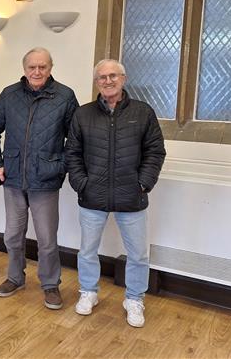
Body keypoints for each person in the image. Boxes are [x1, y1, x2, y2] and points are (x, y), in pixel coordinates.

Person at [65, 59, 166, 327]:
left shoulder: (143, 112)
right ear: (96, 82)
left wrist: (142, 184)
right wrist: (81, 183)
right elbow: (72, 153)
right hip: (92, 196)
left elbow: (155, 151)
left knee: (138, 254)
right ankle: (88, 292)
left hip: (131, 197)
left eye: (113, 76)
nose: (108, 81)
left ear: (123, 79)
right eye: (102, 77)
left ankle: (134, 299)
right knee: (87, 250)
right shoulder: (83, 114)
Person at [0, 47, 79, 309]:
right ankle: (15, 278)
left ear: (50, 68)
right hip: (13, 177)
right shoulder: (10, 94)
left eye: (42, 67)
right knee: (12, 235)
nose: (37, 71)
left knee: (47, 239)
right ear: (24, 68)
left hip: (45, 180)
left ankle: (50, 284)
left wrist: (60, 165)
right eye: (32, 67)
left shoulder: (65, 96)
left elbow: (76, 139)